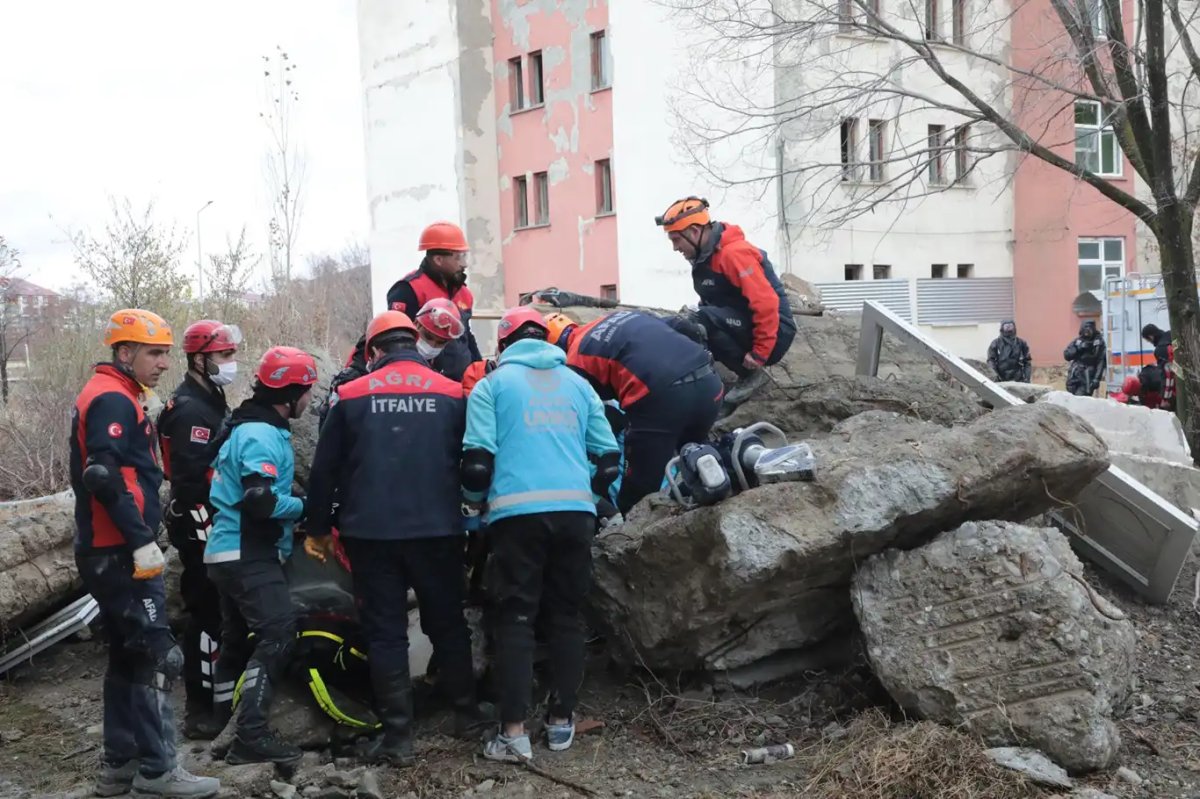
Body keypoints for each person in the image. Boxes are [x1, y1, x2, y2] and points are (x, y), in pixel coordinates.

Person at [304, 310, 488, 765]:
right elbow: (470, 460)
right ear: (415, 342)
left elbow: (324, 470)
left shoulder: (349, 394)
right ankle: (467, 714)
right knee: (447, 622)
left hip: (370, 533)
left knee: (385, 633)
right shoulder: (451, 394)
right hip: (438, 530)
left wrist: (317, 529)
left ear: (373, 351)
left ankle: (399, 737)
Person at [71, 309, 220, 798]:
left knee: (127, 654)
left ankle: (120, 763)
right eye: (154, 353)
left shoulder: (116, 392)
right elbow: (102, 475)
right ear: (124, 352)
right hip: (119, 549)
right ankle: (158, 770)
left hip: (106, 546)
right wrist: (140, 541)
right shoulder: (113, 398)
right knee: (158, 654)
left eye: (165, 353)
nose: (162, 363)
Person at [461, 307, 620, 762]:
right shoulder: (577, 384)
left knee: (516, 618)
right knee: (566, 616)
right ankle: (561, 723)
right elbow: (608, 458)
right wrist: (583, 493)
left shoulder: (492, 386)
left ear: (504, 346)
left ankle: (513, 732)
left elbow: (476, 462)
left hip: (516, 516)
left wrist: (473, 503)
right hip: (575, 514)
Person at [205, 346, 318, 766]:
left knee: (235, 641)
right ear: (289, 393)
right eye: (306, 390)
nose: (309, 399)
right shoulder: (260, 434)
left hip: (225, 552)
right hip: (247, 553)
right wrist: (309, 509)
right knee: (278, 635)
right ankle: (249, 734)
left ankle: (222, 723)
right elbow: (260, 501)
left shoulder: (249, 426)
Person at [545, 310, 723, 514]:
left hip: (661, 400)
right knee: (695, 458)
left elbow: (591, 415)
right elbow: (682, 326)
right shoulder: (620, 316)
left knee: (637, 492)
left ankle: (633, 540)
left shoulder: (575, 360)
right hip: (710, 383)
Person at [155, 320, 241, 741]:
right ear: (200, 359)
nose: (231, 364)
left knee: (218, 610)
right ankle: (202, 709)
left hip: (210, 516)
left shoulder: (210, 395)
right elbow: (191, 478)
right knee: (206, 611)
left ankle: (220, 698)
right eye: (224, 356)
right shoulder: (190, 409)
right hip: (198, 520)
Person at [655, 196, 795, 405]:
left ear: (694, 232)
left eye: (677, 240)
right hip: (741, 321)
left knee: (702, 320)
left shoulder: (734, 253)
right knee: (691, 324)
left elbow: (766, 304)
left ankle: (750, 375)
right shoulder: (705, 257)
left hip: (776, 333)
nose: (675, 248)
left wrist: (760, 353)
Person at [386, 221, 483, 380]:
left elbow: (466, 336)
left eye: (464, 256)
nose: (464, 264)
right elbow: (397, 340)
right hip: (424, 382)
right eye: (458, 258)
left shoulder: (464, 294)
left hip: (462, 383)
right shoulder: (408, 289)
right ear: (438, 259)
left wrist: (479, 369)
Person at [1064, 320, 1106, 397]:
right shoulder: (1078, 341)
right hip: (1074, 374)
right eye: (1085, 328)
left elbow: (1101, 362)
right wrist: (1077, 349)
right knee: (1070, 397)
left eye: (1089, 329)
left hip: (1087, 376)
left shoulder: (1098, 343)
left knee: (1080, 398)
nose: (1087, 332)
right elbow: (1067, 355)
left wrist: (1096, 379)